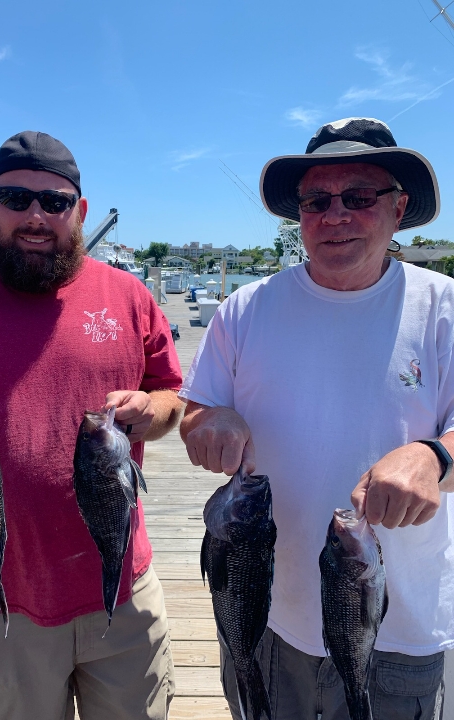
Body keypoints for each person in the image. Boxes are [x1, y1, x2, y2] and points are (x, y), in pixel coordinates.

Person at [179, 117, 454, 719]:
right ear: (299, 215)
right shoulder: (244, 308)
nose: (335, 215)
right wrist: (210, 422)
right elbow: (193, 413)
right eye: (316, 201)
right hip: (266, 616)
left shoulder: (444, 307)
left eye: (359, 197)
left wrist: (435, 454)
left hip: (398, 627)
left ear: (399, 207)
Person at [0, 131, 183, 720]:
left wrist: (153, 412)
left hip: (123, 586)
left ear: (79, 211)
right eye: (16, 198)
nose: (36, 216)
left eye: (55, 202)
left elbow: (171, 396)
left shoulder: (129, 295)